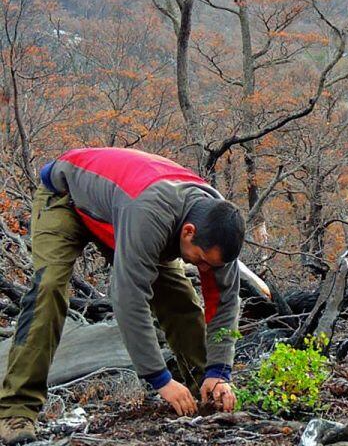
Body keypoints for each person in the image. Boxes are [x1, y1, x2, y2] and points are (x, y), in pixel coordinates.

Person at [0, 148, 245, 445]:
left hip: (122, 213)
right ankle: (15, 409)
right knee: (48, 289)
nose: (204, 267)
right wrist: (160, 380)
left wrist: (219, 371)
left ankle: (202, 392)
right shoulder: (151, 214)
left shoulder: (220, 226)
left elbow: (226, 303)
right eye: (201, 259)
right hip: (67, 198)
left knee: (180, 297)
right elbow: (129, 300)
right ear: (188, 232)